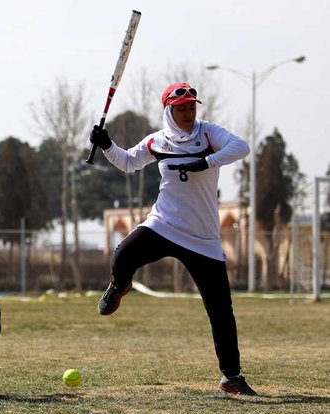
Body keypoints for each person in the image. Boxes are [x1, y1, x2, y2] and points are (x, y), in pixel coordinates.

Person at [89, 82, 257, 396]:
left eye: (192, 107)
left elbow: (242, 147)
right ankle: (119, 286)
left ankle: (231, 377)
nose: (189, 113)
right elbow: (128, 162)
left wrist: (206, 162)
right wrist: (107, 144)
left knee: (220, 310)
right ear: (169, 109)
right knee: (122, 255)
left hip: (203, 237)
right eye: (181, 108)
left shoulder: (208, 134)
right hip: (164, 223)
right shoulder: (158, 140)